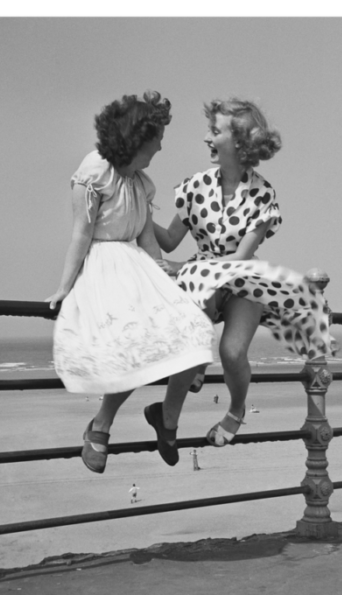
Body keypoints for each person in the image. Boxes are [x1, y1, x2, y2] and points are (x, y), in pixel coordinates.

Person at [46, 91, 215, 474]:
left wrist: (168, 278)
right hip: (105, 268)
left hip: (137, 268)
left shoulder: (141, 184)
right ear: (136, 139)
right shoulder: (94, 172)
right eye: (156, 137)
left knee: (195, 328)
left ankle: (166, 414)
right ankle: (101, 425)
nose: (160, 145)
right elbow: (81, 234)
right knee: (134, 341)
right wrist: (63, 287)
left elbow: (149, 241)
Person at [154, 98, 336, 447]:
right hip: (202, 281)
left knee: (233, 353)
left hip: (242, 281)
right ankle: (179, 397)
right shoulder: (195, 186)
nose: (207, 138)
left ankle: (235, 411)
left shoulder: (262, 194)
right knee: (196, 313)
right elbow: (170, 239)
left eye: (214, 131)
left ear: (238, 142)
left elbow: (240, 257)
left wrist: (184, 269)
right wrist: (136, 210)